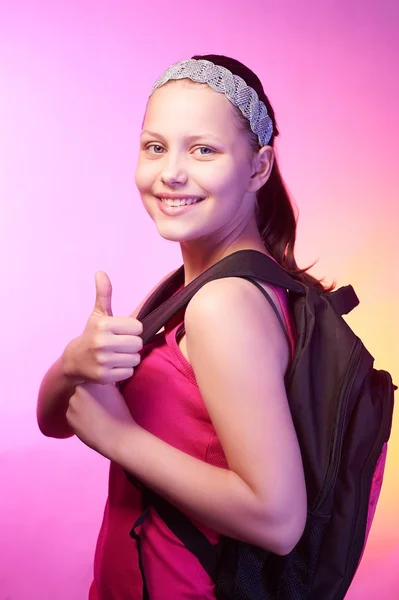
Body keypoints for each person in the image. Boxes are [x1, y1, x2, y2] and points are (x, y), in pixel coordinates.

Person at [37, 55, 331, 599]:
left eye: (203, 149)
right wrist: (73, 364)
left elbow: (278, 520)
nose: (171, 171)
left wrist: (119, 437)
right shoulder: (189, 287)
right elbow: (56, 420)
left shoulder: (224, 305)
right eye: (155, 146)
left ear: (258, 168)